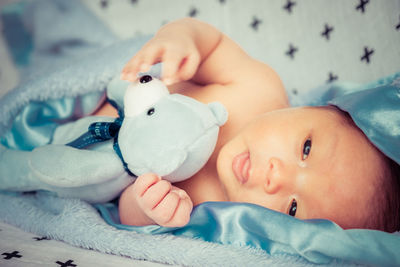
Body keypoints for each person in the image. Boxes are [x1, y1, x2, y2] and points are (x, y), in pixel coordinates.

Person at [94, 18, 400, 232]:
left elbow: (125, 207)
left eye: (292, 208)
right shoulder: (258, 88)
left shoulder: (210, 213)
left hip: (85, 153)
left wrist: (148, 208)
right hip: (112, 84)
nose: (274, 177)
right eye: (306, 149)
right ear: (315, 109)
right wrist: (180, 40)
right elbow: (210, 44)